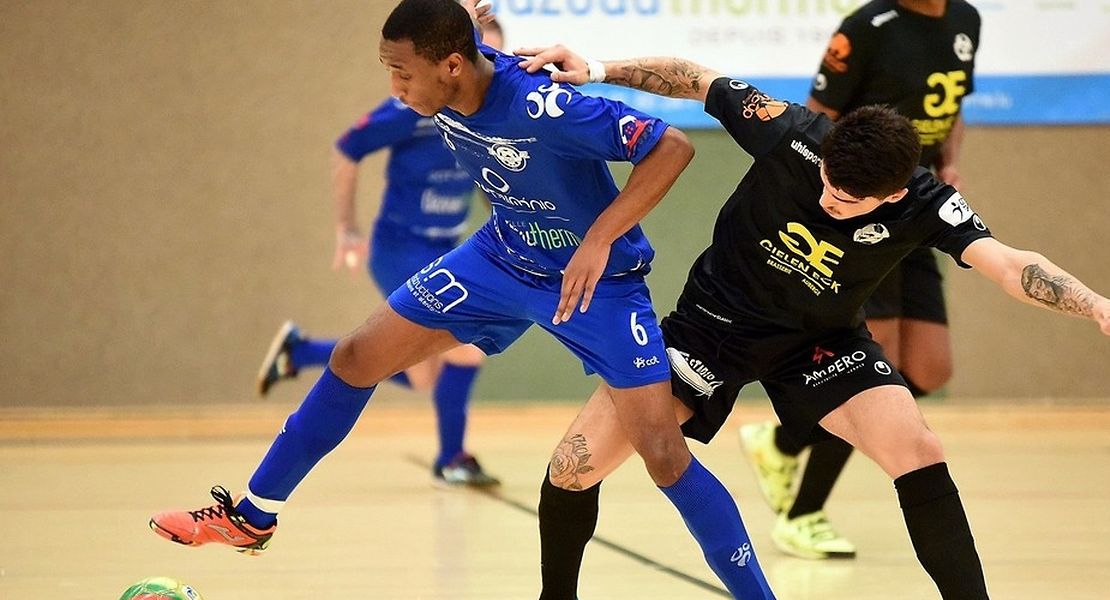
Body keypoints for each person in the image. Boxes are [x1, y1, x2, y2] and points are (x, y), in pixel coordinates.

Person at [149, 2, 777, 598]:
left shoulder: (543, 107)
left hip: (593, 283)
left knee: (665, 456)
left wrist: (599, 238)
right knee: (355, 357)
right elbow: (461, 36)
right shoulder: (450, 75)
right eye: (388, 70)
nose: (396, 87)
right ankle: (253, 516)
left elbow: (673, 147)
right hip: (498, 258)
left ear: (451, 66)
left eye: (402, 72)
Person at [513, 44, 1110, 599]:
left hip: (818, 341)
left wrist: (1094, 304)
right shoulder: (793, 134)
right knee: (574, 465)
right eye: (829, 183)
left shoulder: (925, 203)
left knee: (918, 448)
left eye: (851, 200)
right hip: (711, 328)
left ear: (894, 193)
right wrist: (595, 70)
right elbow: (696, 78)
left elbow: (1007, 263)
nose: (832, 202)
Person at [738, 0, 983, 560]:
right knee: (881, 366)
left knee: (930, 368)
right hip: (863, 210)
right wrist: (836, 205)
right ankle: (802, 514)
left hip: (914, 202)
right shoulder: (867, 28)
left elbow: (952, 110)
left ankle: (783, 439)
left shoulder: (966, 20)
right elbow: (817, 115)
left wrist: (948, 163)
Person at [254, 20, 506, 488]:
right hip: (401, 248)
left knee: (425, 376)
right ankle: (452, 458)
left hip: (445, 247)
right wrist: (347, 228)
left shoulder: (490, 114)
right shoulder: (413, 110)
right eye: (477, 56)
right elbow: (348, 148)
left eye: (492, 59)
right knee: (466, 352)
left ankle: (302, 351)